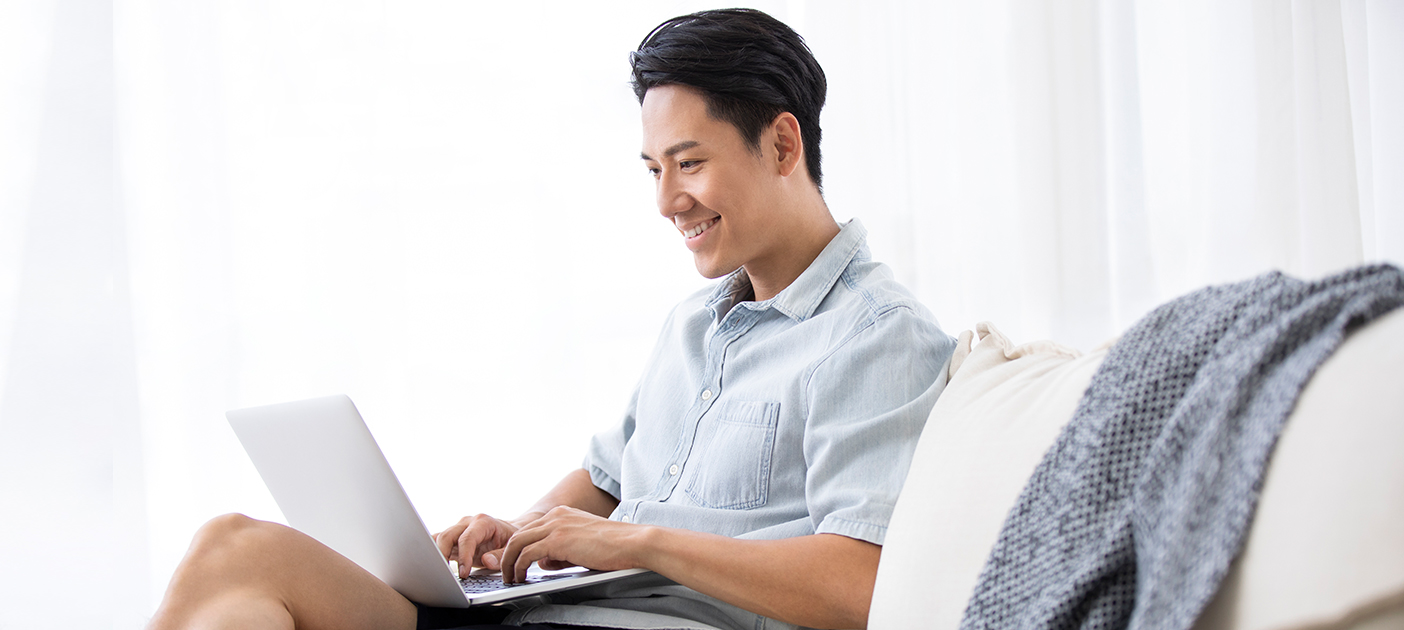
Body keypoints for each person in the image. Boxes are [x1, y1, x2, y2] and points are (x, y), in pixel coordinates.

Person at [147, 9, 955, 630]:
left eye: (690, 164)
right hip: (548, 612)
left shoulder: (878, 336)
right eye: (653, 170)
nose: (668, 201)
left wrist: (637, 543)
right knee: (229, 548)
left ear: (783, 146)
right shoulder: (693, 327)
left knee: (250, 558)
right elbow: (605, 483)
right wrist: (516, 537)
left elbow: (865, 586)